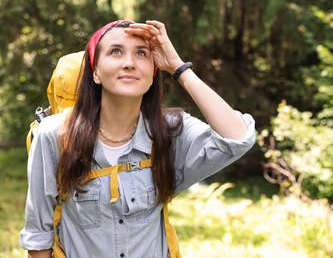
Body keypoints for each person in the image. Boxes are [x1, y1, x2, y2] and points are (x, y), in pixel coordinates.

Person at [20, 20, 256, 257]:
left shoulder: (169, 131)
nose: (129, 63)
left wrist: (178, 68)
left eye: (141, 53)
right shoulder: (55, 135)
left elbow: (238, 138)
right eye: (116, 52)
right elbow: (38, 238)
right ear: (96, 72)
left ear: (153, 74)